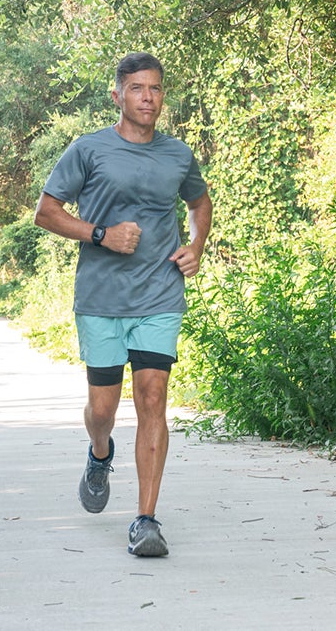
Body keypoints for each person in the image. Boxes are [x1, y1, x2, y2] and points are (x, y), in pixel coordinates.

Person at [33, 52, 212, 557]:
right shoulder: (88, 150)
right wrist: (100, 235)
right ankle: (98, 451)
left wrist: (195, 246)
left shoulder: (178, 155)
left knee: (153, 397)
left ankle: (146, 520)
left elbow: (199, 202)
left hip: (159, 293)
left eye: (155, 89)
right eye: (137, 89)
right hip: (102, 298)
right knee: (103, 409)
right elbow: (46, 212)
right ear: (117, 95)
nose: (147, 98)